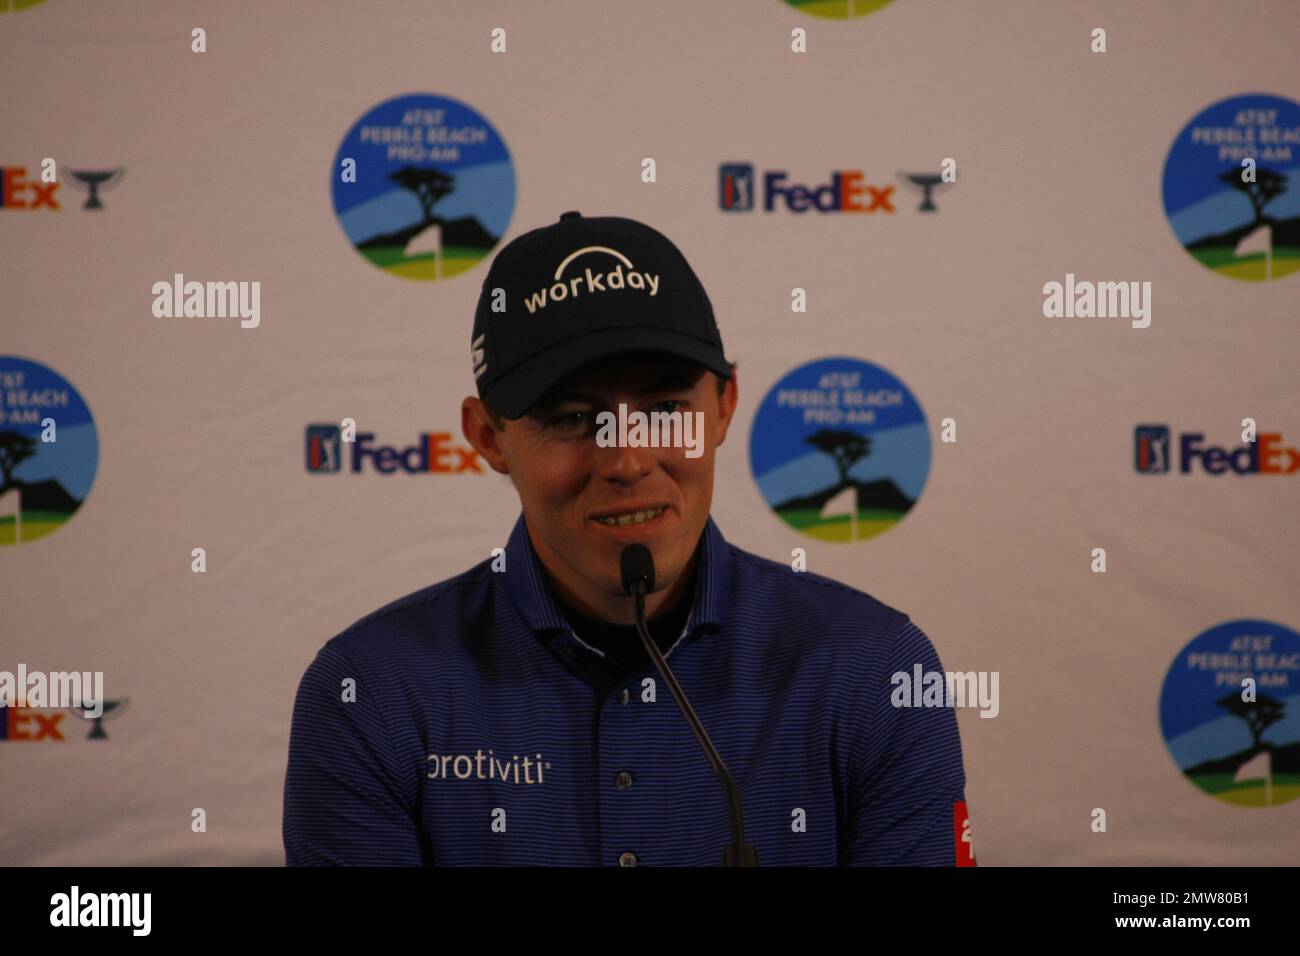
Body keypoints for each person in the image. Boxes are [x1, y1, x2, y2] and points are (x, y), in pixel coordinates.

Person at [283, 212, 972, 866]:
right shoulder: (368, 692)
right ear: (489, 438)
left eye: (667, 410)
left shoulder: (876, 671)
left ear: (725, 407)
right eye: (575, 419)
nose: (628, 460)